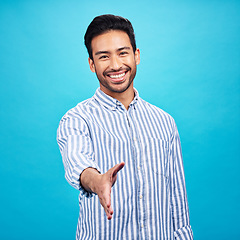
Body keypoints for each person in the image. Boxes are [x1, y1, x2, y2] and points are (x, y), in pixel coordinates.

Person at [57, 14, 193, 240]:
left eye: (123, 53)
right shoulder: (76, 119)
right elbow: (78, 165)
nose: (116, 65)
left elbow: (178, 204)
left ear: (136, 55)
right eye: (103, 57)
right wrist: (97, 181)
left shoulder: (164, 122)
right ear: (92, 64)